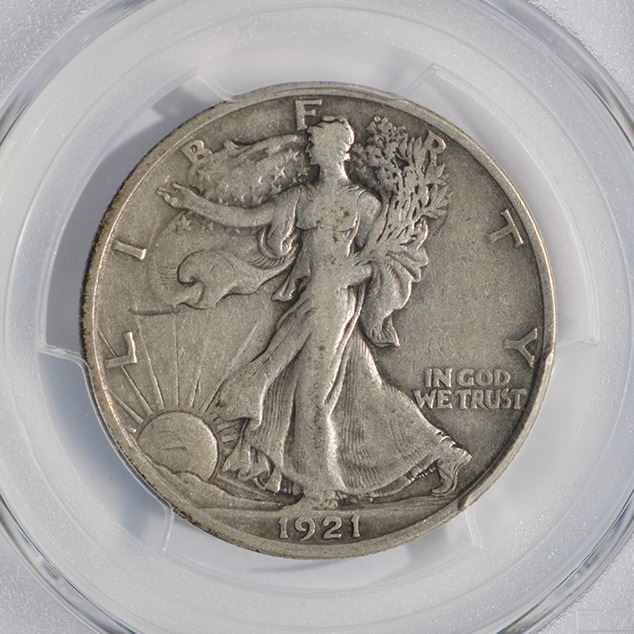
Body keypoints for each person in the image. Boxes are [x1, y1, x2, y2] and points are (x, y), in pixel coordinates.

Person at [158, 116, 470, 510]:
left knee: (311, 397)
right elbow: (248, 218)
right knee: (367, 388)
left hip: (334, 305)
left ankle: (321, 492)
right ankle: (444, 453)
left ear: (337, 149)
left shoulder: (362, 203)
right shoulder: (301, 198)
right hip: (311, 300)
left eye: (317, 143)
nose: (310, 148)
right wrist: (193, 203)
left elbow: (386, 258)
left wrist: (348, 274)